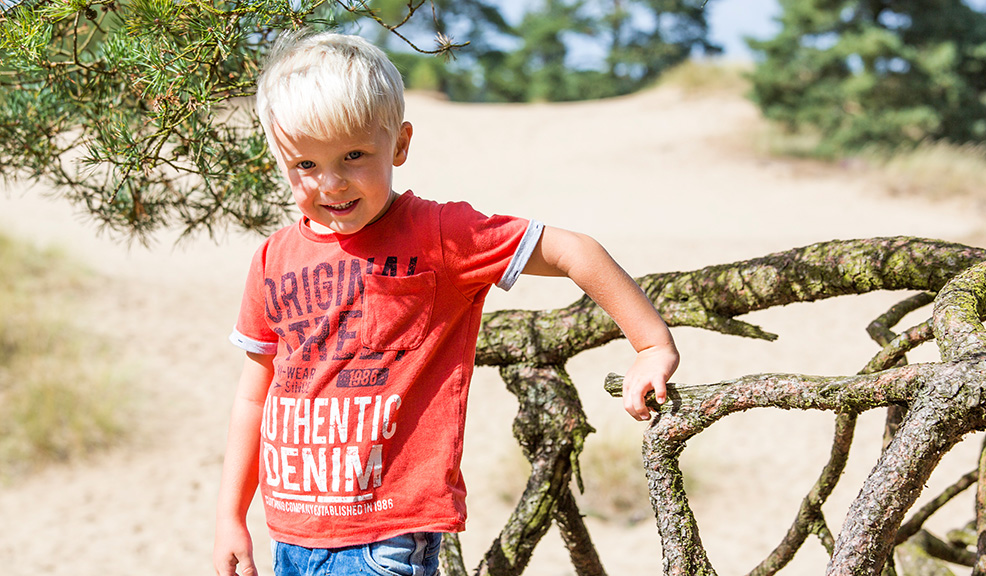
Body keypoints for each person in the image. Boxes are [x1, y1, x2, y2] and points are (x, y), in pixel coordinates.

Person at [213, 30, 679, 576]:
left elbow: (575, 250)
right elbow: (255, 397)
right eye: (305, 166)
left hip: (385, 540)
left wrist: (651, 343)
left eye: (354, 155)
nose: (331, 183)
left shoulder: (439, 234)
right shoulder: (273, 259)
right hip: (289, 533)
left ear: (400, 144)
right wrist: (230, 516)